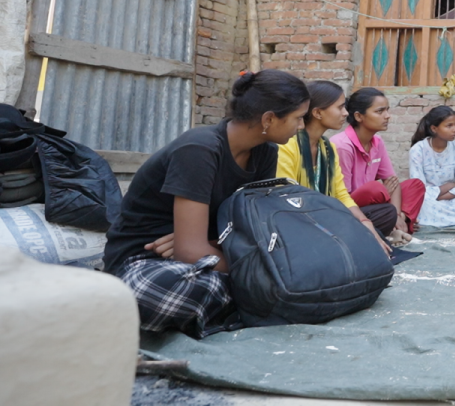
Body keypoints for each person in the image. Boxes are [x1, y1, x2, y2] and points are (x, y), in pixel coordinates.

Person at [102, 69, 309, 337]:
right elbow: (190, 253)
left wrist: (212, 246)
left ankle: (243, 302)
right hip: (146, 262)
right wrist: (259, 271)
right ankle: (252, 302)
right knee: (156, 293)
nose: (301, 126)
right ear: (269, 119)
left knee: (280, 274)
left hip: (211, 256)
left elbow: (252, 231)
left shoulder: (266, 153)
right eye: (298, 118)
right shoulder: (199, 149)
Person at [277, 80, 395, 251]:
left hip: (327, 216)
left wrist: (365, 222)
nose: (345, 113)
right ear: (317, 113)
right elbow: (287, 199)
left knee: (379, 217)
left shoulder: (327, 148)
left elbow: (341, 194)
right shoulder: (288, 146)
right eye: (340, 108)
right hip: (298, 221)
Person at [330, 88, 424, 237]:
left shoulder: (377, 141)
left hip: (376, 204)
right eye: (379, 112)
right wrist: (386, 193)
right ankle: (395, 225)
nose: (387, 116)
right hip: (349, 207)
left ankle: (398, 222)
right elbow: (343, 197)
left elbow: (392, 181)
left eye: (387, 110)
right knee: (375, 188)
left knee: (415, 185)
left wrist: (398, 215)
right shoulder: (342, 146)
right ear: (359, 116)